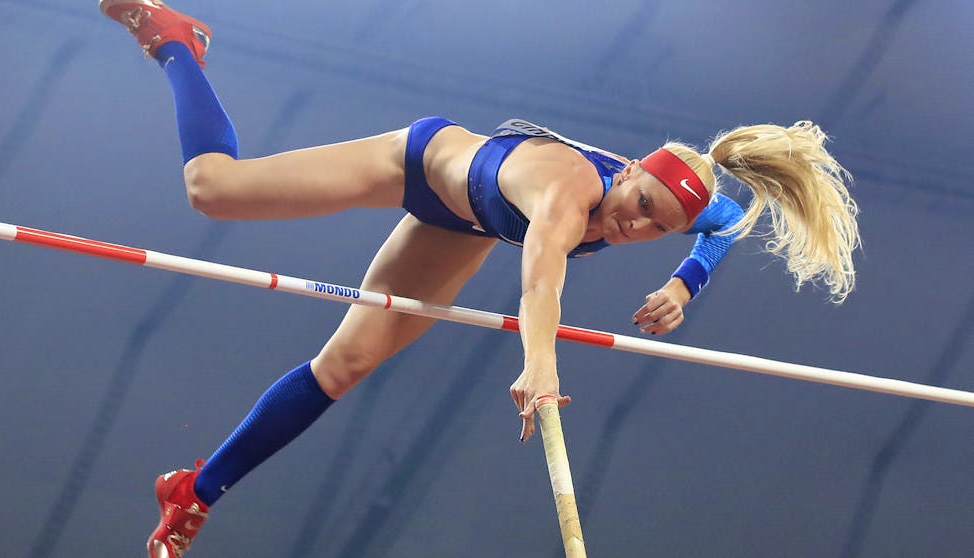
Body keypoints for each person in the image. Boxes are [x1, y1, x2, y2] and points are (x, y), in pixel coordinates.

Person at [99, 1, 860, 556]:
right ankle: (178, 45)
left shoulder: (680, 211)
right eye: (637, 205)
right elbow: (540, 279)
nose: (636, 226)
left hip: (470, 225)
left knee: (346, 365)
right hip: (420, 165)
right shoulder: (570, 193)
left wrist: (685, 283)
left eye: (656, 227)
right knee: (214, 191)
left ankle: (194, 492)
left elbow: (728, 221)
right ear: (626, 172)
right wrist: (539, 363)